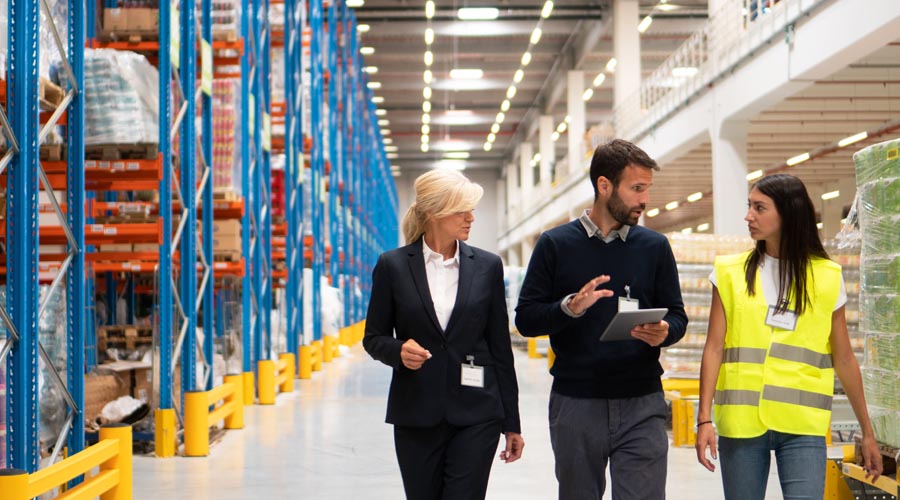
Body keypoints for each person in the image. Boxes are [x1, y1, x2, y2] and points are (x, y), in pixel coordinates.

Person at [516, 139, 688, 500]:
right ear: (604, 186)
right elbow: (527, 320)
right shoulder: (555, 245)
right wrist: (569, 308)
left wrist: (664, 332)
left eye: (647, 189)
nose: (644, 200)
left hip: (642, 402)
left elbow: (677, 315)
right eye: (637, 189)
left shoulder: (654, 247)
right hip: (577, 403)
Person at [695, 173, 883, 499]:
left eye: (759, 207)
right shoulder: (729, 272)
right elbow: (714, 349)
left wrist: (868, 432)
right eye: (749, 206)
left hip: (802, 425)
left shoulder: (826, 277)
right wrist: (703, 420)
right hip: (741, 422)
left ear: (788, 213)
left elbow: (844, 358)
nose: (748, 216)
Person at [363, 169, 524, 500]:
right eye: (462, 210)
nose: (471, 218)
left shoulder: (488, 266)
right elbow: (374, 337)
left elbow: (500, 348)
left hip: (478, 413)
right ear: (434, 212)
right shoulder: (392, 266)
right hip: (416, 413)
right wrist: (398, 351)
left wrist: (512, 422)